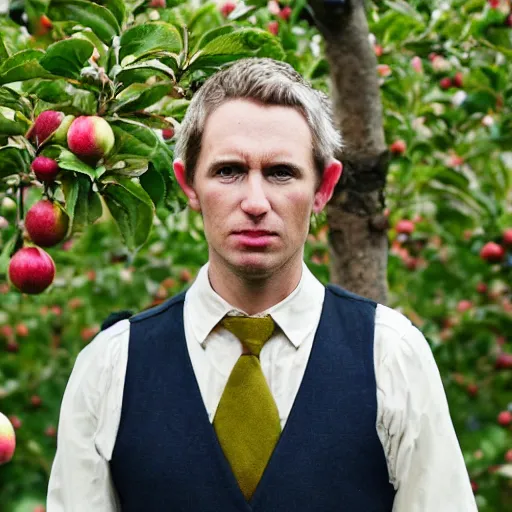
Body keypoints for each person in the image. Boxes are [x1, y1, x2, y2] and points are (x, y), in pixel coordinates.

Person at [47, 57, 477, 511]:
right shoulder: (109, 368)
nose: (255, 202)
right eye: (229, 171)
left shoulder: (392, 356)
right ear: (188, 184)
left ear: (323, 188)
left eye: (280, 173)